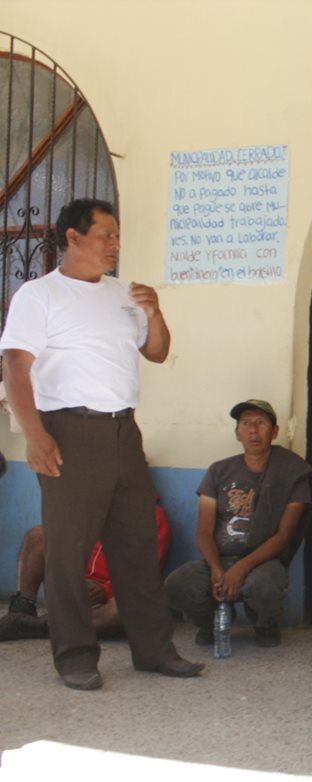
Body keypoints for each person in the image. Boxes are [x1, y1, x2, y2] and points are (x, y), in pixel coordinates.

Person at [0, 198, 203, 690]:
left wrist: (154, 312)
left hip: (123, 432)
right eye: (105, 234)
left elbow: (157, 353)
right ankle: (75, 657)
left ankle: (154, 650)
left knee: (134, 547)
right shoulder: (39, 295)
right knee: (67, 552)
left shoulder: (122, 294)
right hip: (68, 430)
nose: (115, 244)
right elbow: (15, 366)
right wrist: (34, 435)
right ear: (73, 237)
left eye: (117, 235)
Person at [164, 399, 312, 649]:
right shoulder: (219, 471)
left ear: (275, 431)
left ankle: (264, 624)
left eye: (261, 423)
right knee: (177, 584)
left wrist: (242, 568)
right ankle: (208, 622)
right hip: (220, 559)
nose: (253, 430)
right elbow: (203, 531)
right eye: (245, 424)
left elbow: (284, 535)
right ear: (237, 433)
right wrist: (215, 569)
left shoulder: (293, 472)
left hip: (262, 561)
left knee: (266, 584)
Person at [0, 503, 171, 641]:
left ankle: (34, 627)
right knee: (38, 534)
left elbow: (146, 570)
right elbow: (63, 543)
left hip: (112, 596)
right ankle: (22, 609)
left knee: (121, 611)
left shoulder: (152, 515)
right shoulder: (85, 503)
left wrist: (106, 590)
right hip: (76, 585)